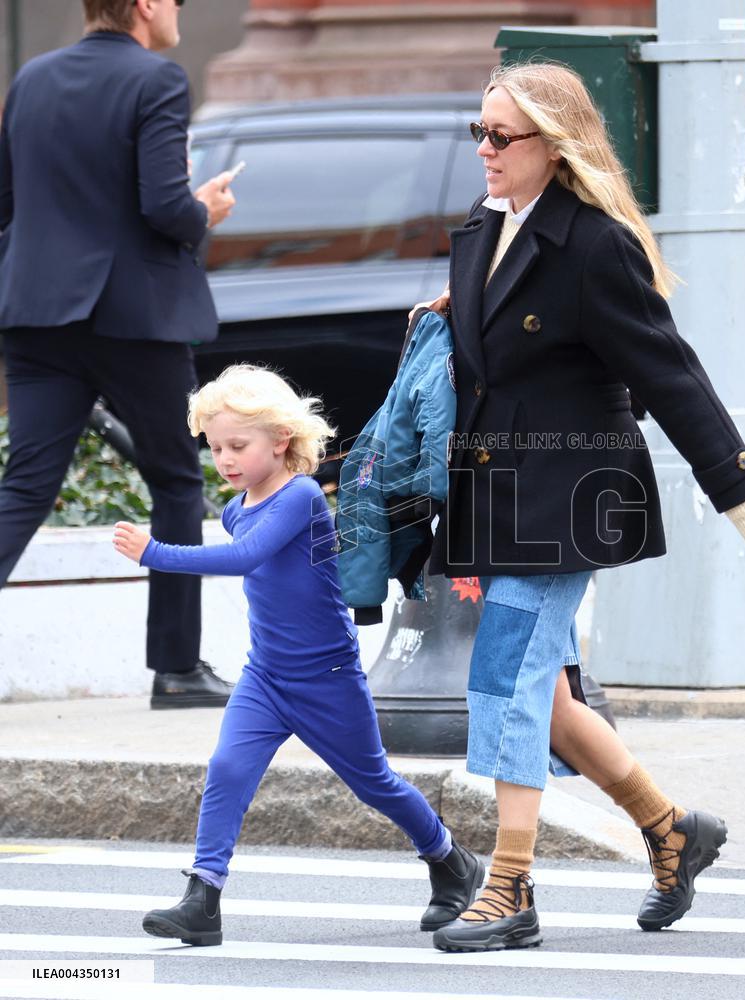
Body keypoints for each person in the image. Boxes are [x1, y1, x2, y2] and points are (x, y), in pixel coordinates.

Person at [410, 62, 745, 953]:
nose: (484, 150)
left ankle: (509, 886)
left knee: (506, 679)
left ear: (555, 144)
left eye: (501, 136)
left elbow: (670, 374)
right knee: (542, 695)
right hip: (494, 494)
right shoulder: (482, 231)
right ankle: (670, 830)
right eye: (478, 131)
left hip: (567, 498)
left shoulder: (594, 246)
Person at [113, 365, 483, 946]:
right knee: (228, 770)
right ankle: (203, 897)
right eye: (215, 447)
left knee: (375, 783)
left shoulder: (301, 497)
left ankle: (451, 860)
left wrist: (153, 551)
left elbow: (244, 559)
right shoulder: (238, 507)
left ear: (281, 439)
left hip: (326, 678)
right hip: (265, 676)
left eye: (237, 445)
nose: (224, 459)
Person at [0, 0, 236, 708]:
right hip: (132, 318)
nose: (179, 9)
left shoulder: (32, 78)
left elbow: (7, 204)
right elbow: (164, 206)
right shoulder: (157, 78)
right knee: (175, 482)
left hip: (36, 312)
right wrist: (205, 212)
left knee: (25, 486)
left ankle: (179, 668)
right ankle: (177, 670)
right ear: (144, 5)